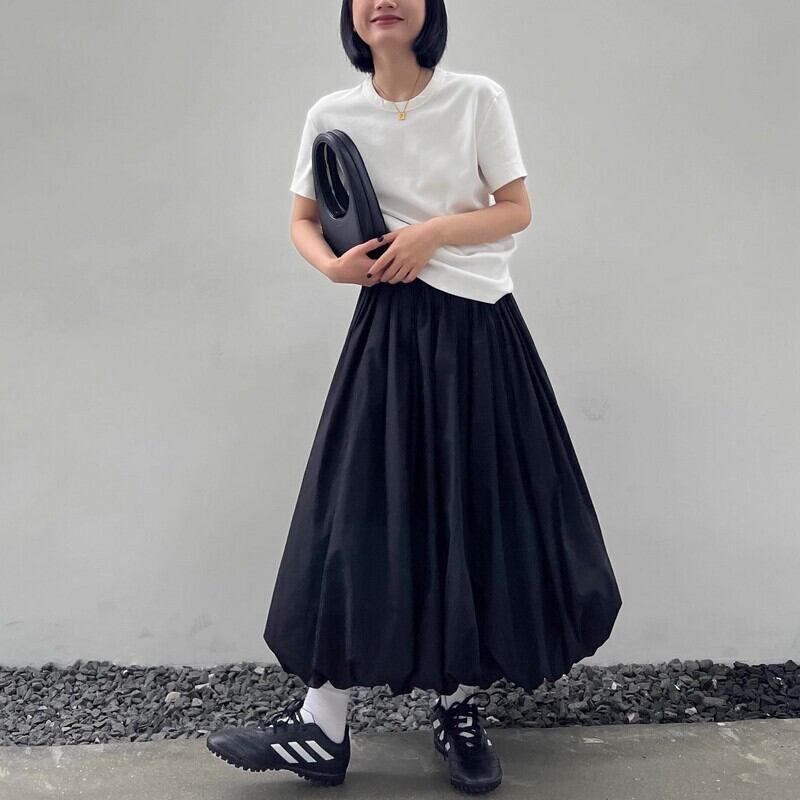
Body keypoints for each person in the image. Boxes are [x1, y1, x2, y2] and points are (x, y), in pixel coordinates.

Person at [207, 0, 623, 793]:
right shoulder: (332, 114)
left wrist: (431, 233)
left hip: (477, 333)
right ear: (350, 12)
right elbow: (302, 220)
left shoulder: (477, 98)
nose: (383, 0)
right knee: (354, 513)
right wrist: (334, 268)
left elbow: (516, 209)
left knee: (469, 511)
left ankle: (458, 708)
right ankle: (322, 724)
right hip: (389, 330)